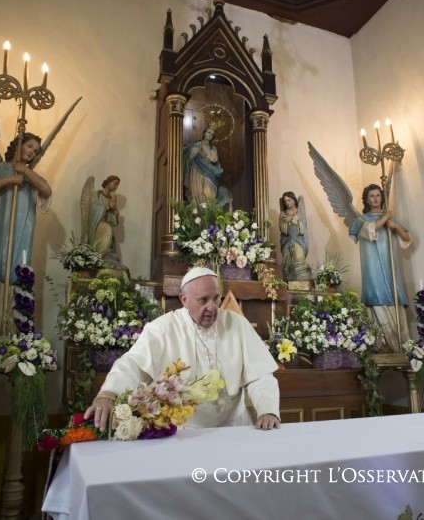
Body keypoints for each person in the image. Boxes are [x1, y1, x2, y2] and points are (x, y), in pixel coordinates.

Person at [84, 267, 281, 430]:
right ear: (184, 299)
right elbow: (133, 364)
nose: (212, 307)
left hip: (235, 426)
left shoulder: (236, 324)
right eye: (203, 300)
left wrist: (268, 411)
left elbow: (260, 375)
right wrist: (108, 393)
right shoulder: (162, 329)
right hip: (188, 431)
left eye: (215, 298)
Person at [0, 133, 52, 347]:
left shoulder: (30, 177)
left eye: (35, 151)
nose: (32, 152)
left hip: (21, 232)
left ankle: (10, 335)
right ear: (19, 144)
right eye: (30, 146)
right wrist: (10, 179)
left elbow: (46, 190)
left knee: (16, 275)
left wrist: (26, 172)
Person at [349, 184, 412, 353]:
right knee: (375, 295)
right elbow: (369, 230)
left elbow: (407, 238)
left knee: (394, 293)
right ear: (366, 200)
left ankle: (401, 347)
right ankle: (380, 345)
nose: (376, 199)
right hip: (372, 267)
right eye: (372, 196)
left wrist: (395, 226)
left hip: (390, 265)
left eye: (378, 195)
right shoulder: (362, 220)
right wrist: (385, 218)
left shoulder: (389, 219)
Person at [183, 126, 233, 208]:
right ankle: (200, 211)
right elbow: (191, 156)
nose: (210, 135)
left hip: (210, 172)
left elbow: (214, 159)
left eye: (212, 134)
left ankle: (209, 210)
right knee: (198, 191)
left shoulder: (213, 148)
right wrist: (197, 150)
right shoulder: (197, 144)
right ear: (204, 133)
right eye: (209, 132)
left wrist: (207, 154)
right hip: (197, 171)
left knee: (209, 191)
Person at [87, 175, 125, 270]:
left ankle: (105, 259)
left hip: (106, 227)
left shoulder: (110, 198)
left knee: (108, 229)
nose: (116, 186)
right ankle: (99, 257)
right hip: (96, 226)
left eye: (118, 185)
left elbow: (114, 222)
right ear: (108, 182)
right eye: (115, 183)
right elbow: (93, 209)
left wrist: (114, 209)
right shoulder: (96, 195)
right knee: (107, 228)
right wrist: (108, 206)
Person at [279, 191, 312, 282]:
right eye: (285, 201)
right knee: (287, 260)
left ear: (294, 200)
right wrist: (293, 220)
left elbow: (303, 226)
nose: (287, 203)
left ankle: (301, 282)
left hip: (298, 240)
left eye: (289, 200)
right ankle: (287, 281)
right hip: (287, 240)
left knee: (299, 257)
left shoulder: (299, 212)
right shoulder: (282, 214)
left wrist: (291, 220)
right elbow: (282, 228)